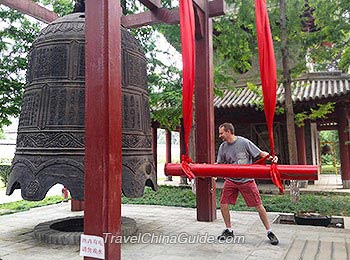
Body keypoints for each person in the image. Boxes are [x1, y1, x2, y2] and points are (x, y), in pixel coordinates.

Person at [216, 122, 279, 245]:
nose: (220, 136)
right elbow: (219, 164)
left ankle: (269, 231)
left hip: (247, 180)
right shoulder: (223, 147)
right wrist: (210, 171)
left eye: (221, 133)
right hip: (231, 180)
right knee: (223, 204)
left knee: (259, 205)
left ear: (228, 132)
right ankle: (229, 230)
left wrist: (271, 157)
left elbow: (261, 153)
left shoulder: (244, 142)